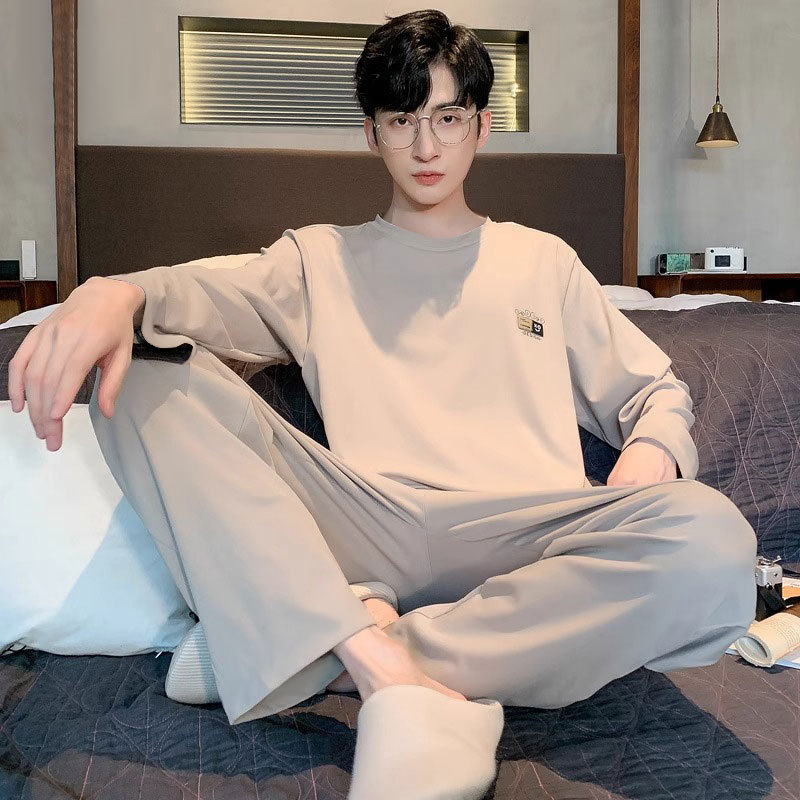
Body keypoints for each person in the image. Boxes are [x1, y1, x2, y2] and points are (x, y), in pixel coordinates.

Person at [8, 9, 756, 799]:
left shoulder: (545, 262)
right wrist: (115, 294)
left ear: (482, 126)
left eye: (447, 118)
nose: (426, 147)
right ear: (372, 134)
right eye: (402, 120)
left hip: (526, 534)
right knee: (142, 372)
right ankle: (360, 645)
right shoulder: (317, 258)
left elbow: (654, 390)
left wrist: (650, 452)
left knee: (712, 543)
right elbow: (197, 296)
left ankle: (333, 647)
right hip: (365, 522)